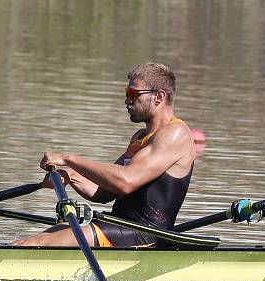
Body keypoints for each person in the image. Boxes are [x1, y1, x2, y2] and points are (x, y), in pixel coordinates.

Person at [12, 62, 195, 247]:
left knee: (39, 243)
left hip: (144, 235)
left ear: (159, 96)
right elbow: (105, 192)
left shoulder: (175, 133)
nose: (127, 101)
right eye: (126, 93)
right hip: (118, 227)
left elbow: (125, 182)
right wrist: (71, 175)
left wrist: (70, 159)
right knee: (27, 241)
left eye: (133, 94)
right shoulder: (140, 137)